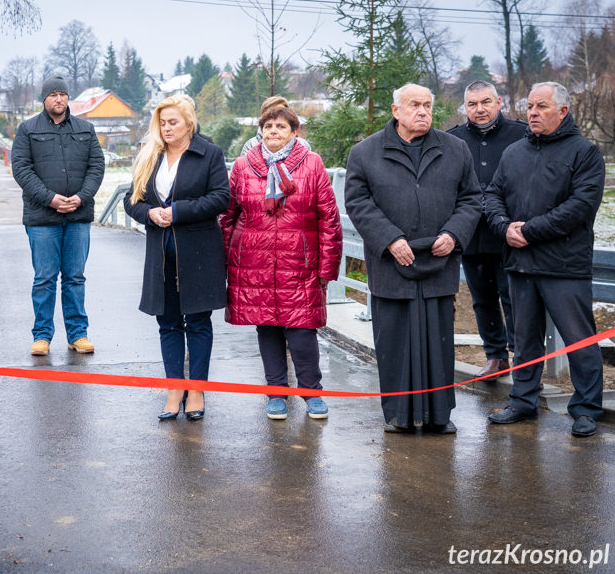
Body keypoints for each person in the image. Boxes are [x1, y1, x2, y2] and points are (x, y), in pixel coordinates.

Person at [344, 83, 481, 434]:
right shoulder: (365, 152)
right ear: (396, 110)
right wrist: (390, 239)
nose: (422, 112)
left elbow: (471, 199)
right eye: (414, 105)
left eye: (427, 106)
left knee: (438, 342)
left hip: (439, 259)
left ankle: (439, 415)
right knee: (393, 341)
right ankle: (398, 415)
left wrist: (453, 235)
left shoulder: (455, 150)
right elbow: (358, 202)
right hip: (392, 263)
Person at [484, 82, 605, 437]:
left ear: (563, 111)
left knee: (578, 339)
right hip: (520, 264)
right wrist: (504, 227)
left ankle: (585, 408)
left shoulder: (584, 152)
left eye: (541, 107)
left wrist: (530, 230)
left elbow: (580, 207)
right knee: (523, 340)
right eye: (529, 106)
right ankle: (523, 401)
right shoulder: (514, 152)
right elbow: (492, 194)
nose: (532, 113)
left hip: (564, 266)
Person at [220, 107, 342, 420]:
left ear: (294, 132)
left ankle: (311, 392)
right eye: (269, 126)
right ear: (260, 130)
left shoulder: (311, 163)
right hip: (254, 262)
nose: (274, 131)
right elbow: (228, 215)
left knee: (302, 331)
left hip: (299, 263)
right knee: (268, 329)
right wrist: (220, 263)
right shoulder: (244, 166)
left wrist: (327, 268)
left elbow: (329, 218)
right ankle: (276, 392)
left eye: (281, 126)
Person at [123, 96, 230, 420]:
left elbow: (221, 198)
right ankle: (174, 388)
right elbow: (131, 200)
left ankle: (196, 389)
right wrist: (150, 212)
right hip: (160, 255)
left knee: (198, 322)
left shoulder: (208, 153)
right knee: (167, 323)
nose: (167, 128)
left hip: (199, 252)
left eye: (173, 122)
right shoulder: (150, 155)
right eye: (163, 123)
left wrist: (178, 212)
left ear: (188, 123)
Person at [11, 75, 105, 356]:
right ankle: (42, 335)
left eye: (63, 94)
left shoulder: (86, 129)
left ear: (68, 98)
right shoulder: (28, 130)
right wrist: (50, 199)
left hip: (77, 216)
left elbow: (96, 167)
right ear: (44, 99)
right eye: (53, 94)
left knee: (75, 277)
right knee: (45, 277)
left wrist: (81, 197)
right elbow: (22, 170)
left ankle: (78, 334)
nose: (59, 99)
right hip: (42, 218)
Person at [448, 81, 527, 379]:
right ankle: (495, 355)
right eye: (472, 104)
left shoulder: (521, 134)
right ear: (465, 107)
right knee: (482, 298)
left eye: (485, 102)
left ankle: (522, 356)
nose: (479, 109)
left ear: (498, 102)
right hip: (472, 234)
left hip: (510, 233)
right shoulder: (453, 139)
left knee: (514, 297)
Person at [240, 96, 311, 156]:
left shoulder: (302, 145)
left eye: (281, 112)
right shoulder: (251, 145)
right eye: (271, 113)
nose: (276, 116)